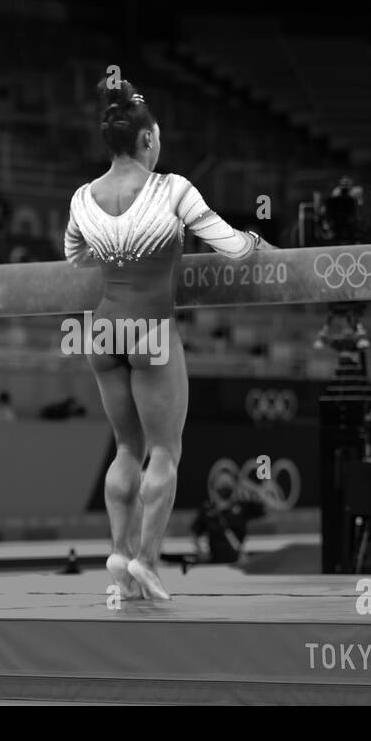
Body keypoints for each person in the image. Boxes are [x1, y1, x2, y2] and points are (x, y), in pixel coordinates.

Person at [64, 77, 275, 600]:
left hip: (102, 330)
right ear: (148, 140)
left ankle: (118, 552)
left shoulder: (81, 198)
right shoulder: (172, 188)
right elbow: (230, 247)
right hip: (151, 328)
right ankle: (146, 561)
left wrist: (115, 252)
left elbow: (75, 257)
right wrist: (256, 242)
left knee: (126, 447)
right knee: (164, 450)